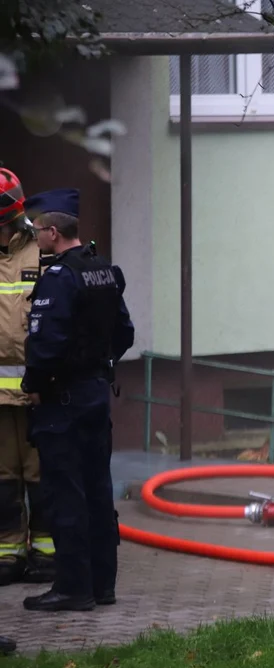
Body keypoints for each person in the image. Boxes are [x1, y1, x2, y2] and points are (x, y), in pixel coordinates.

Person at [20, 188, 135, 612]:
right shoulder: (101, 269)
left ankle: (72, 588)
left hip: (61, 401)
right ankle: (103, 585)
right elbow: (125, 332)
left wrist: (34, 383)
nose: (34, 236)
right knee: (98, 491)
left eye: (36, 230)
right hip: (94, 395)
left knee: (65, 493)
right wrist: (98, 364)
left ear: (52, 231)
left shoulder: (58, 278)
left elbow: (45, 344)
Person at [0, 168, 54, 586]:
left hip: (38, 393)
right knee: (3, 478)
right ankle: (9, 552)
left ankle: (46, 551)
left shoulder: (41, 252)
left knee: (40, 475)